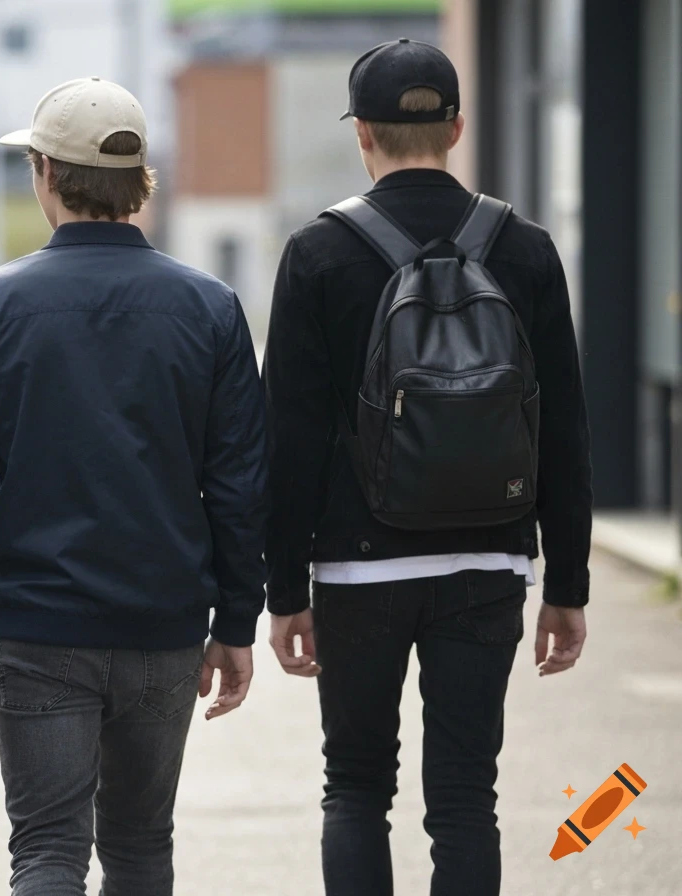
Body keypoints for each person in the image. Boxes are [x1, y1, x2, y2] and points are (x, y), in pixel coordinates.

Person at [262, 40, 591, 896]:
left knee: (356, 789)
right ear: (456, 126)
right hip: (487, 561)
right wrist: (570, 585)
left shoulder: (318, 254)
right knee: (464, 800)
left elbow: (287, 437)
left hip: (357, 566)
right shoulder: (524, 250)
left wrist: (285, 592)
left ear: (362, 133)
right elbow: (565, 431)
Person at [0, 77, 268, 896]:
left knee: (46, 852)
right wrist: (235, 617)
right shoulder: (212, 309)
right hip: (163, 621)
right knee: (144, 848)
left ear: (45, 173)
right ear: (139, 181)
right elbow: (239, 480)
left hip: (39, 621)